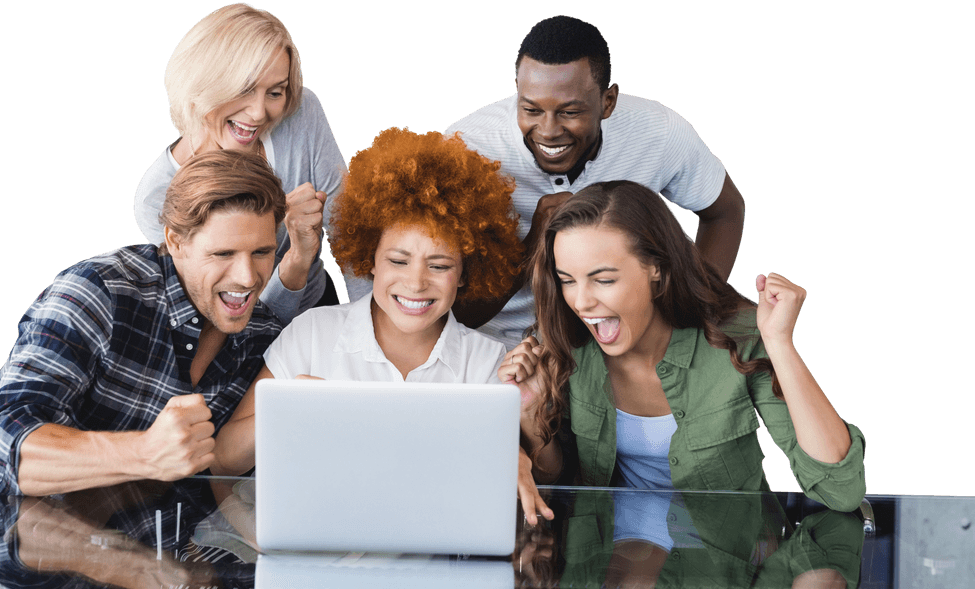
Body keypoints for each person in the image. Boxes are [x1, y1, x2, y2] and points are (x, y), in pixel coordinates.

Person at [506, 180, 865, 523]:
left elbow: (840, 491)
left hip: (725, 563)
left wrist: (779, 342)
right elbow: (558, 488)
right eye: (567, 280)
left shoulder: (735, 340)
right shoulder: (567, 344)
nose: (581, 302)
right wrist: (531, 412)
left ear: (657, 270)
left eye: (604, 280)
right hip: (609, 561)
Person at [0, 149, 287, 496]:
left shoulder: (264, 336)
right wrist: (144, 452)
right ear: (175, 241)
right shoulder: (99, 292)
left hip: (131, 544)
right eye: (223, 253)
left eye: (262, 252)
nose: (247, 278)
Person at [210, 128, 523, 475]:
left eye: (439, 266)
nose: (416, 283)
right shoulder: (312, 335)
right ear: (370, 260)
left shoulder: (487, 363)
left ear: (465, 273)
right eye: (398, 261)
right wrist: (288, 406)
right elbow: (225, 459)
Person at [428, 15, 746, 347]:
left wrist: (689, 313)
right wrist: (534, 244)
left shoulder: (658, 131)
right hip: (496, 347)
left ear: (607, 102)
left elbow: (725, 212)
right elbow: (448, 311)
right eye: (531, 110)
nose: (549, 131)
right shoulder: (467, 146)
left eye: (570, 112)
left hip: (616, 343)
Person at [133, 4, 346, 324]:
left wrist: (377, 336)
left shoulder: (300, 114)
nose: (260, 112)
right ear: (203, 83)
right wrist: (296, 263)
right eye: (243, 89)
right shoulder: (158, 197)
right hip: (242, 339)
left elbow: (350, 233)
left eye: (275, 92)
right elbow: (224, 318)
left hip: (319, 309)